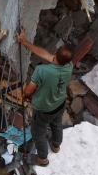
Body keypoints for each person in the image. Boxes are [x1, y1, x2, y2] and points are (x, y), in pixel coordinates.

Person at [15, 28, 73, 167]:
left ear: (55, 54)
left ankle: (42, 159)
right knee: (56, 124)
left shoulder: (42, 71)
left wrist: (24, 92)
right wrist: (24, 42)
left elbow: (29, 90)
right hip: (59, 104)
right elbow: (45, 54)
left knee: (38, 131)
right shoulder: (68, 65)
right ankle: (56, 146)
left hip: (44, 109)